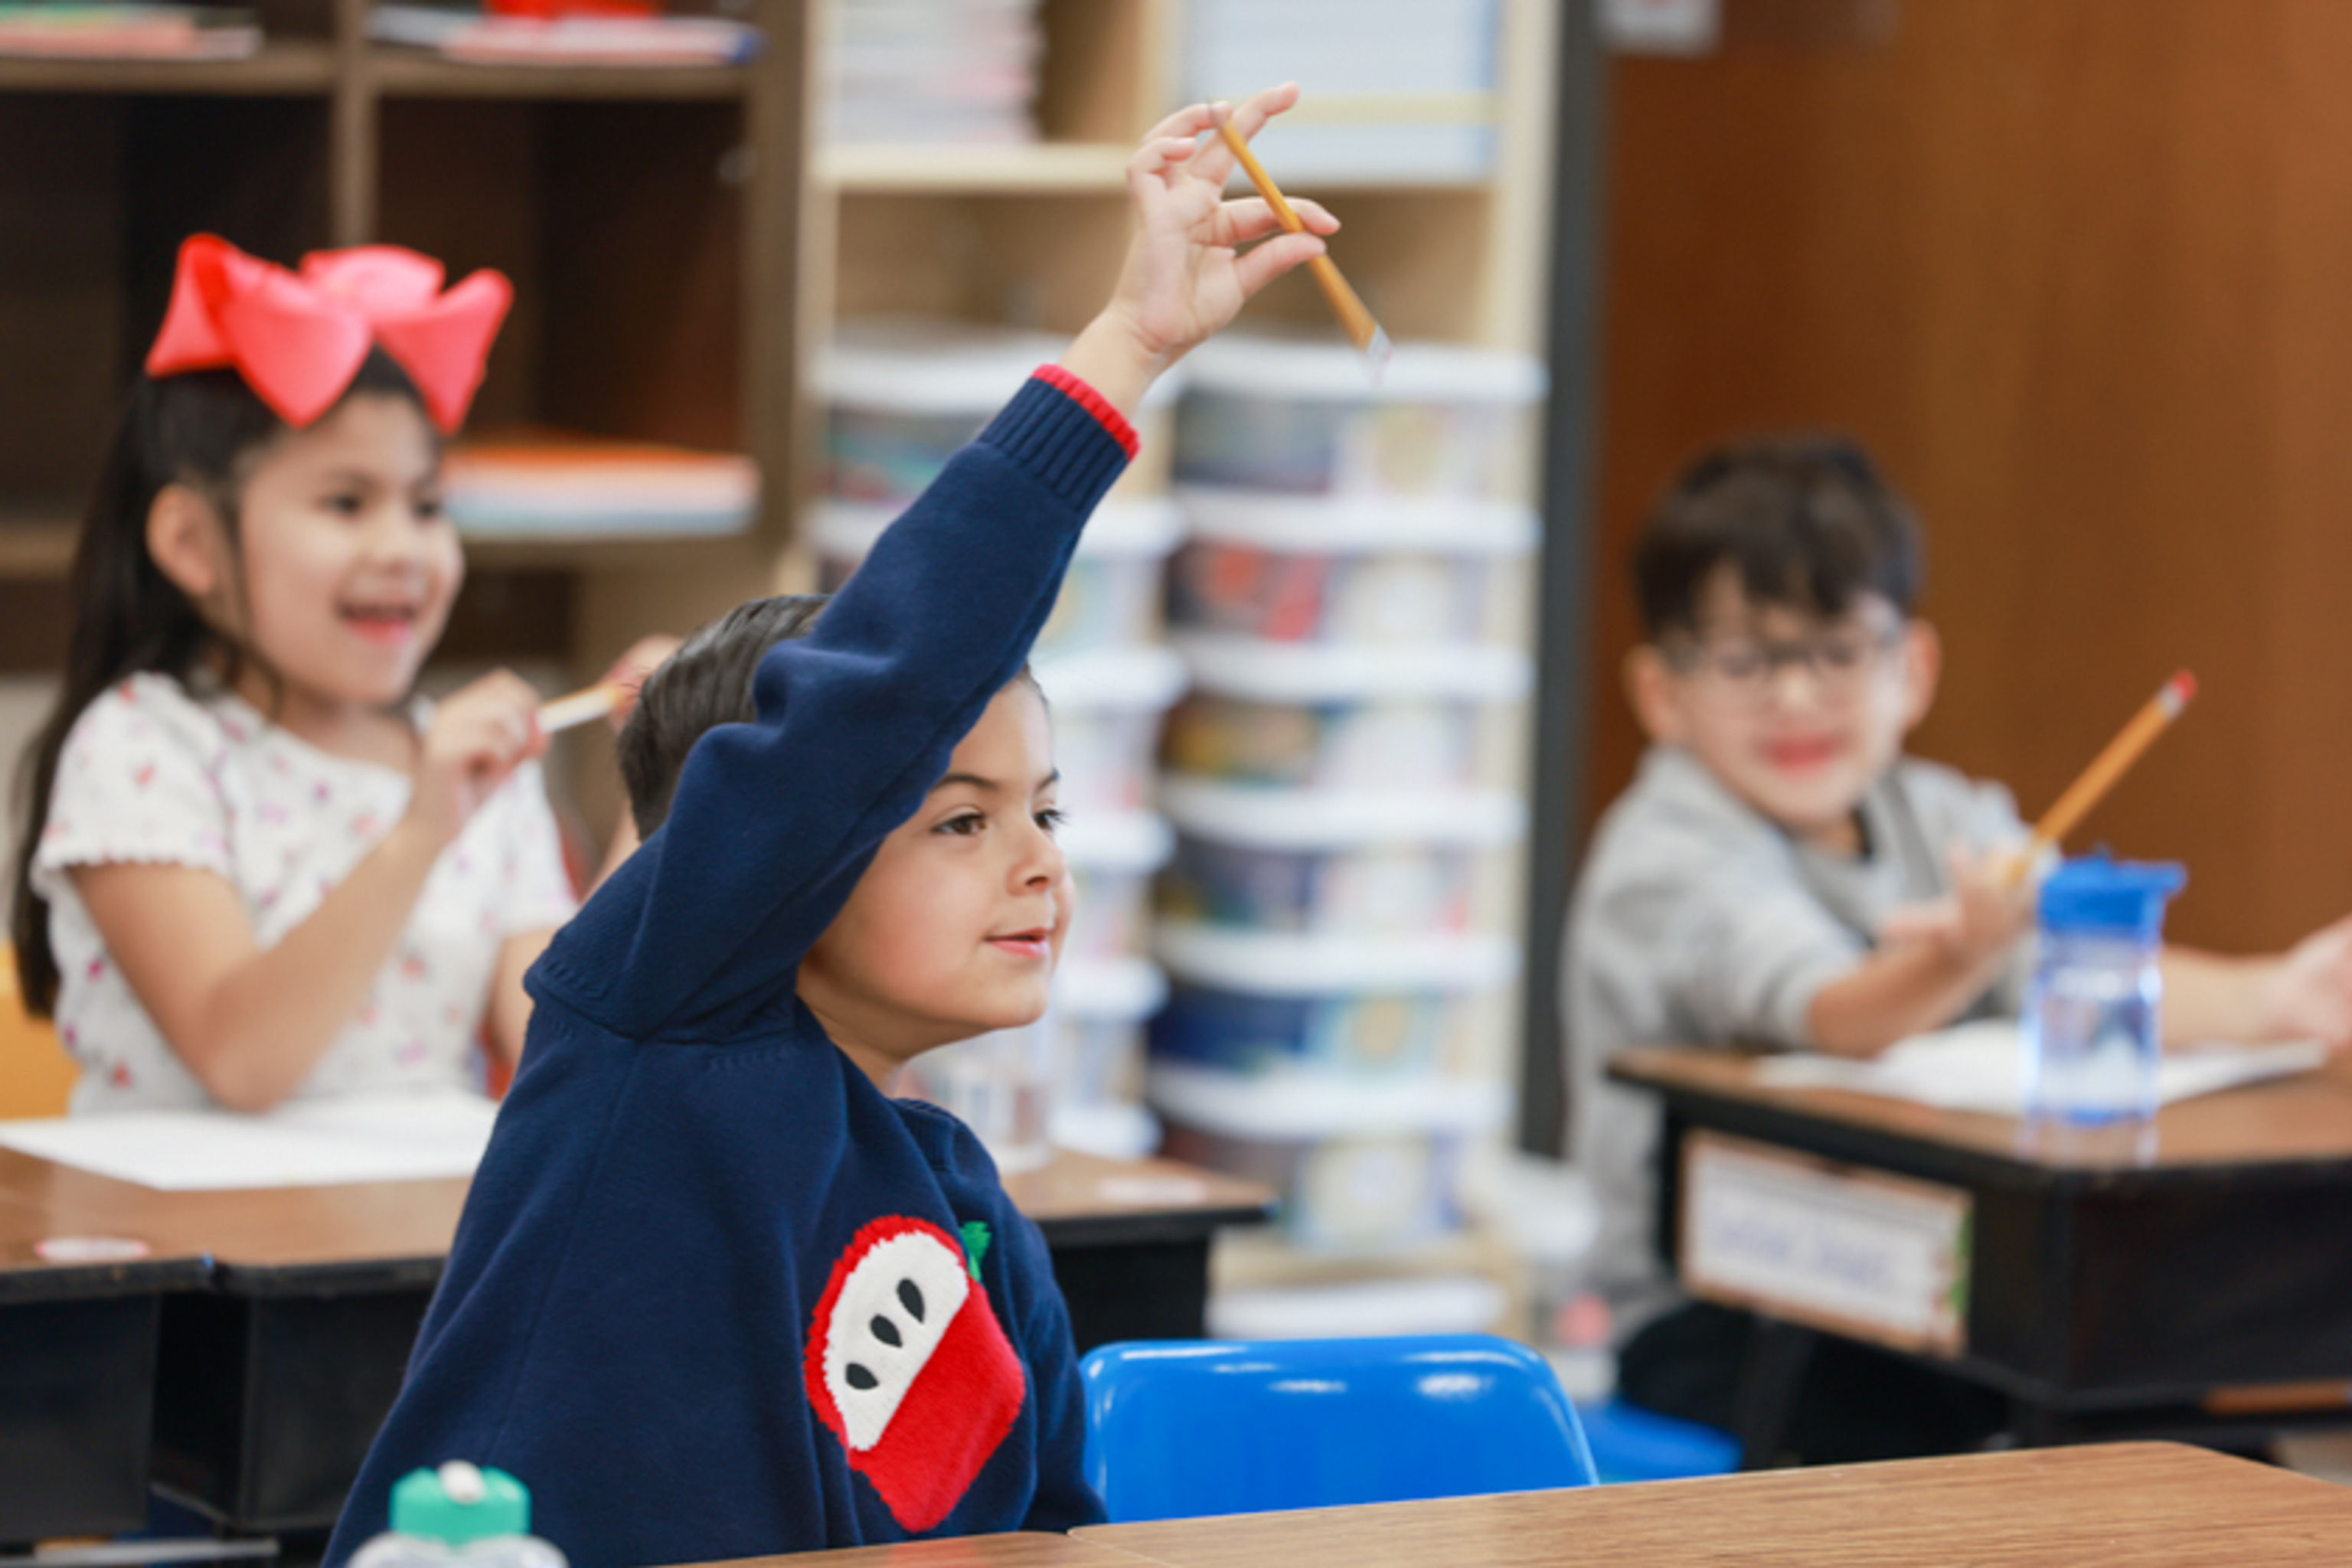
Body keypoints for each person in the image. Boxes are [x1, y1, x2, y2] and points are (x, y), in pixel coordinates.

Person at [324, 88, 1338, 1566]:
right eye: (957, 820)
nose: (1039, 859)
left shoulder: (965, 1203)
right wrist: (1126, 348)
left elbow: (1044, 1529)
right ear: (782, 848)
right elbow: (887, 682)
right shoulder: (655, 1029)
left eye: (1043, 809)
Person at [1566, 433, 2352, 1460]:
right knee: (1923, 1435)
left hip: (1941, 1285)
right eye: (1745, 658)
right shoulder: (1664, 849)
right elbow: (1834, 1010)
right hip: (1724, 1315)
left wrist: (2282, 998)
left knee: (2158, 1408)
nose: (1796, 697)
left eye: (1839, 652)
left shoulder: (1943, 810)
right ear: (1662, 693)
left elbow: (2073, 970)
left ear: (1913, 668)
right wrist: (1963, 952)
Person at [7, 235, 666, 1115]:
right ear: (192, 543)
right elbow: (242, 1060)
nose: (402, 549)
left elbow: (576, 1061)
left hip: (417, 1247)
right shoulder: (141, 746)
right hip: (190, 1245)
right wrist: (422, 827)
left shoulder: (476, 770)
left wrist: (657, 799)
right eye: (346, 502)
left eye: (427, 504)